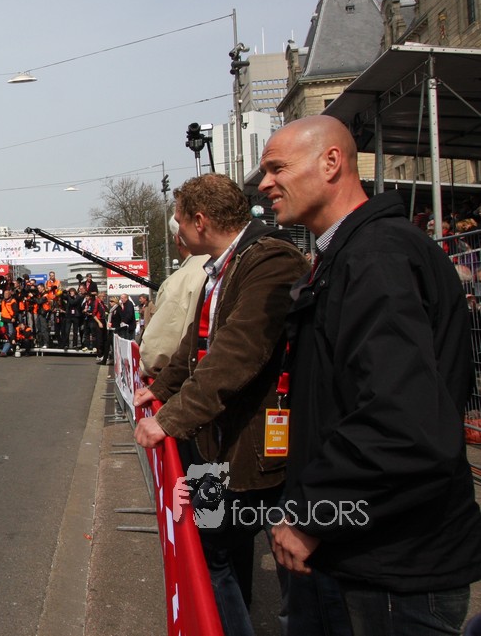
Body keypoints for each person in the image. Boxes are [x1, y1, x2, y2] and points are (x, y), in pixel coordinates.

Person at [261, 115, 481, 635]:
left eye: (277, 168)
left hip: (391, 566)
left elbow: (401, 421)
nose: (265, 184)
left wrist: (315, 512)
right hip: (365, 552)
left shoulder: (376, 257)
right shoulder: (351, 254)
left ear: (331, 162)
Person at [133, 173, 307, 636]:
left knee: (294, 576)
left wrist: (170, 418)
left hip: (258, 448)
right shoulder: (223, 264)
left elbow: (236, 351)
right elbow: (197, 341)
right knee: (210, 551)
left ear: (200, 221)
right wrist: (163, 386)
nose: (177, 232)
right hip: (218, 442)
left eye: (178, 221)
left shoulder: (269, 259)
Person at [138, 216, 209, 380]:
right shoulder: (232, 265)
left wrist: (146, 367)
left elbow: (157, 353)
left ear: (177, 239)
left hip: (189, 381)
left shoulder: (178, 282)